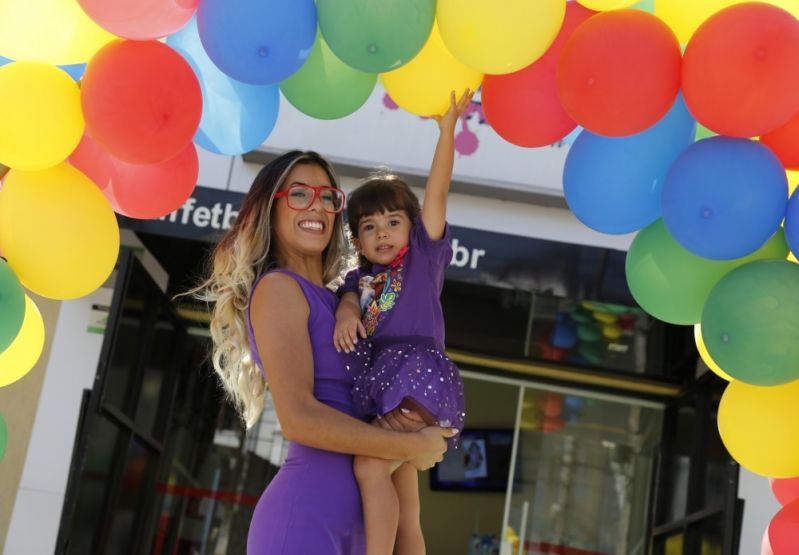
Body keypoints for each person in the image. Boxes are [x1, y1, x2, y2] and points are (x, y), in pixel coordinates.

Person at [193, 150, 457, 554]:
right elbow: (298, 419)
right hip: (305, 522)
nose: (316, 205)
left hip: (364, 532)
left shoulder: (350, 305)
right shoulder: (280, 289)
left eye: (327, 196)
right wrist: (411, 446)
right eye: (299, 194)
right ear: (271, 207)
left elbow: (406, 506)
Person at [334, 90, 474, 555]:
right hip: (387, 384)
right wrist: (348, 308)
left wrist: (447, 131)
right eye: (369, 228)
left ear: (412, 227)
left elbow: (437, 191)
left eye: (393, 222)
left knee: (370, 468)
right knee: (405, 500)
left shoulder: (423, 259)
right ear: (357, 239)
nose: (382, 234)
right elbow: (347, 296)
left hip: (417, 381)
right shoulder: (359, 277)